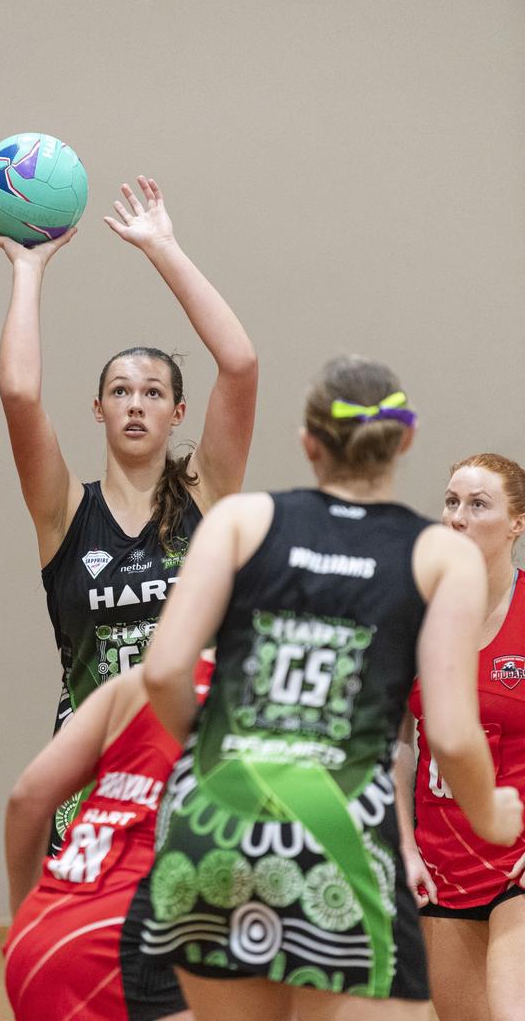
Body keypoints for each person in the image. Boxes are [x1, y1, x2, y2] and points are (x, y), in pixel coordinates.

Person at [137, 355, 524, 1020]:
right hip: (334, 829)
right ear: (405, 440)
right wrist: (493, 814)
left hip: (211, 825)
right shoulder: (436, 555)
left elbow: (164, 671)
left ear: (308, 443)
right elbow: (455, 736)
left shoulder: (240, 520)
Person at [0, 174, 257, 846]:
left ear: (177, 413)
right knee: (94, 954)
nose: (136, 403)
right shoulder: (63, 515)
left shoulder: (208, 491)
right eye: (121, 391)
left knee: (188, 953)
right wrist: (26, 267)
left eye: (154, 392)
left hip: (199, 777)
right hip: (93, 782)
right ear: (99, 409)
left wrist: (163, 247)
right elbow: (19, 394)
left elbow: (241, 365)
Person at [3, 656, 214, 1021]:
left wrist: (23, 917)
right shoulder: (258, 701)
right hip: (127, 938)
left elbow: (27, 799)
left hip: (41, 933)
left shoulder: (131, 686)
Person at [394, 453, 525, 1021]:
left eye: (478, 505)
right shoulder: (412, 617)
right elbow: (394, 745)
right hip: (442, 862)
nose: (458, 518)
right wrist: (402, 844)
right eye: (451, 502)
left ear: (517, 523)